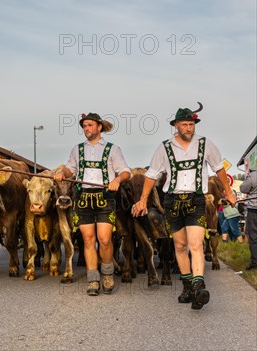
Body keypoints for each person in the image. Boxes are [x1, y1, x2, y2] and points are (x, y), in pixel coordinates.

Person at [133, 104, 236, 310]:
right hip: (172, 201)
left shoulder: (206, 145)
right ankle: (188, 286)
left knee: (196, 244)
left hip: (196, 199)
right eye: (185, 124)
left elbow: (218, 169)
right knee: (179, 246)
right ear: (176, 126)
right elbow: (151, 175)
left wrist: (228, 191)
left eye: (191, 124)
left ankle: (199, 286)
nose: (189, 128)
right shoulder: (164, 147)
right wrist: (143, 199)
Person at [54, 113, 131, 296]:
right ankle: (93, 279)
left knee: (104, 240)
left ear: (99, 127)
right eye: (84, 126)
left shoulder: (113, 149)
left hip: (105, 198)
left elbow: (126, 172)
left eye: (89, 125)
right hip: (84, 198)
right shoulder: (77, 149)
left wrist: (117, 180)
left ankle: (107, 273)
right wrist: (62, 173)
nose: (86, 129)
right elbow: (70, 168)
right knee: (88, 240)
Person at [240, 169, 257, 270]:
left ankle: (255, 262)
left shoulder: (253, 175)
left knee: (254, 236)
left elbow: (243, 188)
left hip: (254, 210)